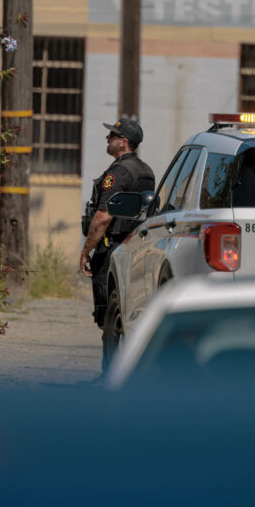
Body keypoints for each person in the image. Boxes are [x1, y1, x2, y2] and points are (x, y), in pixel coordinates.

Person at [80, 118, 156, 368]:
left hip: (111, 250)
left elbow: (103, 217)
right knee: (133, 317)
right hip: (136, 248)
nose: (107, 139)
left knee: (110, 318)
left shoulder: (118, 173)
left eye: (112, 136)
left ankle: (109, 376)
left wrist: (85, 251)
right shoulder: (146, 171)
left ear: (123, 143)